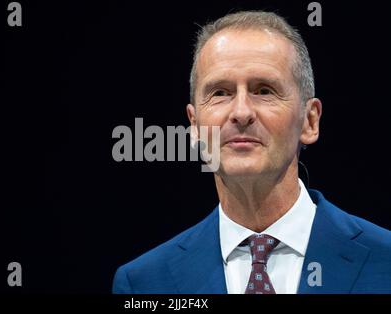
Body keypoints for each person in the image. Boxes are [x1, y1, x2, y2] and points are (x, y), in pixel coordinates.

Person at [112, 10, 391, 294]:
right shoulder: (144, 284)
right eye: (220, 93)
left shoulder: (386, 261)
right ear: (195, 127)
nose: (242, 112)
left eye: (264, 90)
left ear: (309, 121)